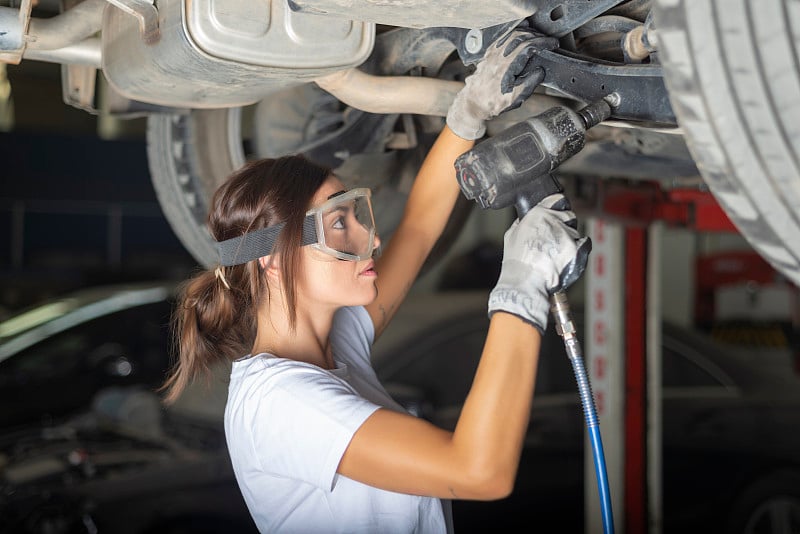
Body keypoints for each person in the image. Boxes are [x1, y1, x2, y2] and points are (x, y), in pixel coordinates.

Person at [161, 26, 587, 534]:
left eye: (356, 214)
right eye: (341, 224)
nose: (372, 239)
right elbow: (478, 473)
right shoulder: (282, 405)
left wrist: (467, 114)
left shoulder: (333, 348)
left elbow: (420, 227)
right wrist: (522, 289)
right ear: (272, 260)